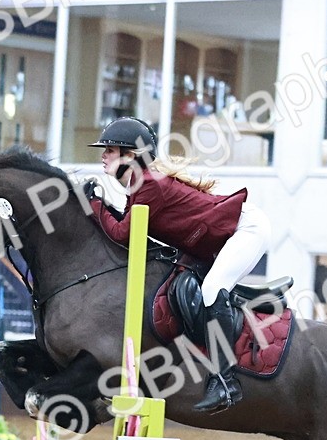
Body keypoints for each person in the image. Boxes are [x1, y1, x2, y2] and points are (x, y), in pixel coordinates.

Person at [84, 117, 271, 414]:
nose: (103, 155)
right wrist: (101, 206)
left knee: (211, 289)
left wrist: (95, 205)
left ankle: (224, 381)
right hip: (222, 236)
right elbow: (124, 226)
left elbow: (123, 234)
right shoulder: (139, 187)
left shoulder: (147, 186)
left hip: (245, 229)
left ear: (131, 155)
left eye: (110, 149)